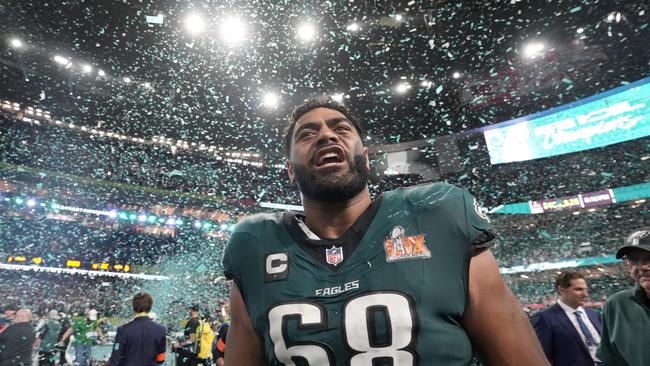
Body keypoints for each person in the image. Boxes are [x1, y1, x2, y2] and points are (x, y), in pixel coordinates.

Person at [222, 97, 549, 365]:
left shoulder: (437, 213)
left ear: (365, 158)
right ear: (291, 172)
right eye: (307, 134)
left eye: (341, 128)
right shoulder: (254, 245)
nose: (325, 136)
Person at [597, 228, 650, 366]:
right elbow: (611, 360)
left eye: (649, 257)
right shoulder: (616, 304)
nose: (642, 267)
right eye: (634, 259)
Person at [531, 271, 603, 365]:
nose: (585, 294)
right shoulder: (544, 318)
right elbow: (544, 356)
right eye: (578, 289)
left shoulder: (594, 315)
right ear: (561, 289)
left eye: (586, 289)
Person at [108, 292, 166, 366]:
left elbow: (116, 358)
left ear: (133, 307)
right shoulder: (160, 330)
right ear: (150, 306)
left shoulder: (123, 330)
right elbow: (161, 358)